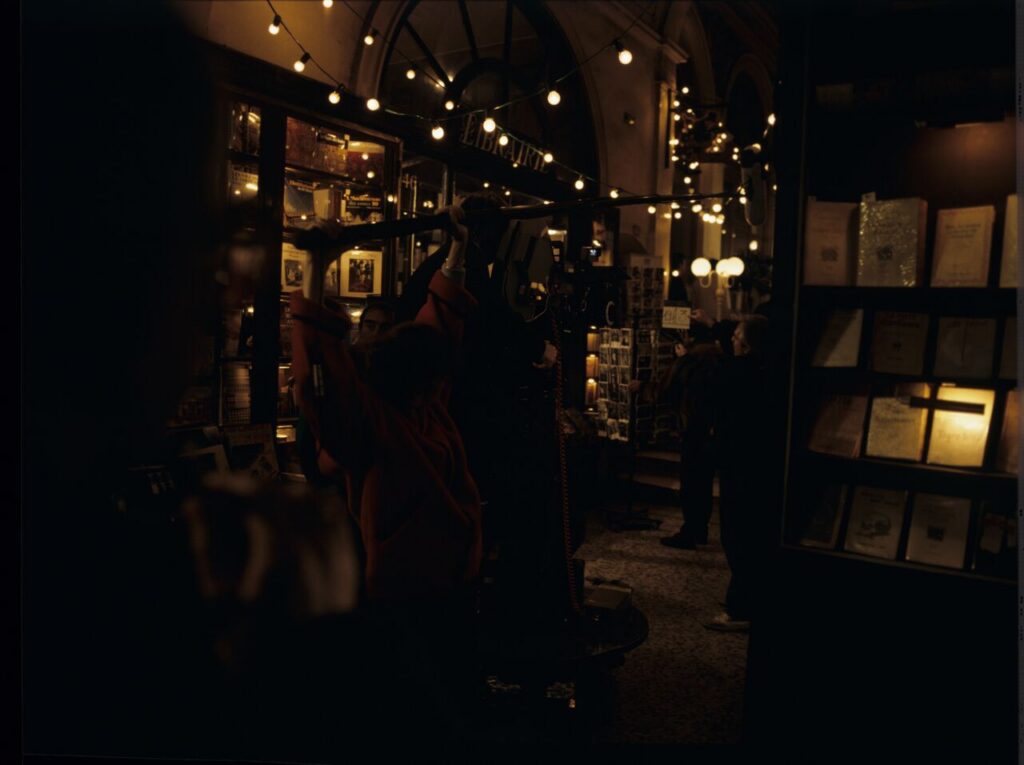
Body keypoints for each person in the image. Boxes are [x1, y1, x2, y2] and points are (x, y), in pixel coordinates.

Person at [289, 206, 485, 726]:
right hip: (404, 602)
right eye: (425, 383)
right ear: (408, 380)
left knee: (456, 709)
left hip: (453, 589)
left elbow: (439, 323)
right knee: (412, 714)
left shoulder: (429, 407)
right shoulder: (372, 423)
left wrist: (458, 249)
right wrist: (315, 268)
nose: (435, 389)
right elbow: (321, 374)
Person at [704, 315, 773, 633]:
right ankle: (747, 597)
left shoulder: (732, 372)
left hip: (737, 461)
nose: (731, 340)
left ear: (745, 342)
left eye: (735, 336)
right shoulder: (770, 373)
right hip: (759, 461)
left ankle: (741, 606)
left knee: (736, 534)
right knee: (750, 532)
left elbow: (711, 404)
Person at [632, 323, 723, 548]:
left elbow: (666, 389)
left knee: (691, 484)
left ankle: (691, 531)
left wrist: (641, 386)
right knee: (702, 483)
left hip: (693, 429)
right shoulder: (718, 358)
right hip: (712, 430)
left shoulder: (690, 362)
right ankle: (699, 529)